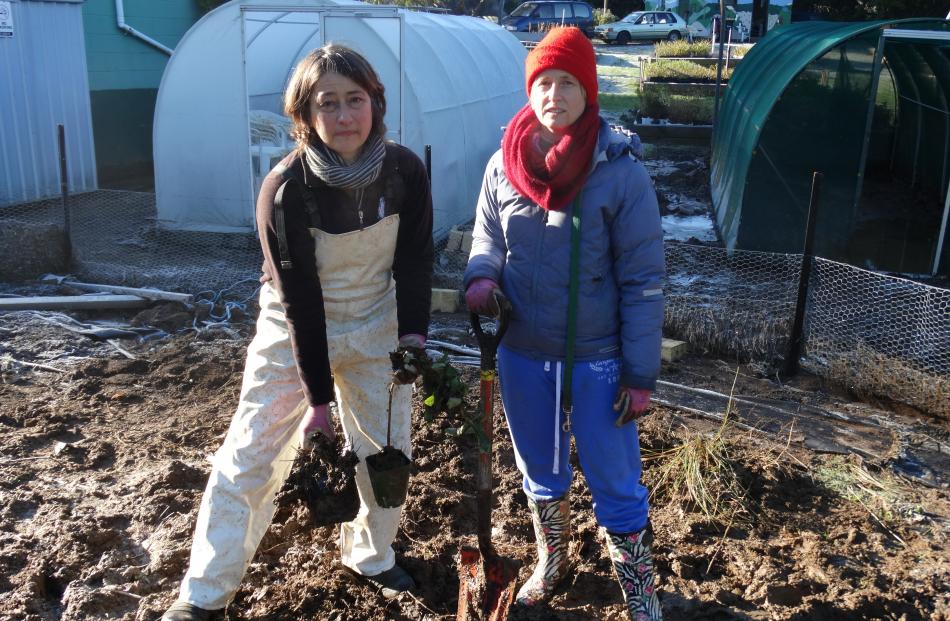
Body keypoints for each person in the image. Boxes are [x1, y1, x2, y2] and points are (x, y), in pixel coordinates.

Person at [161, 44, 433, 621]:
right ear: (304, 115)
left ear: (375, 103)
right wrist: (315, 400)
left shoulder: (405, 171)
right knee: (251, 455)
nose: (343, 116)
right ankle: (204, 594)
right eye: (326, 103)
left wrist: (412, 341)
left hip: (375, 321)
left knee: (388, 451)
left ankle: (371, 553)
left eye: (354, 100)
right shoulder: (286, 189)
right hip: (293, 328)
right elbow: (300, 298)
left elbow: (413, 263)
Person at [463, 27, 664, 621]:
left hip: (598, 359)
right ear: (532, 91)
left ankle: (639, 589)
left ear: (589, 90)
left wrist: (640, 374)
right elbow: (488, 235)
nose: (555, 94)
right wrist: (481, 275)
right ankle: (554, 558)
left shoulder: (620, 172)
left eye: (568, 83)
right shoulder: (503, 164)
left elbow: (643, 280)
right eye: (544, 83)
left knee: (616, 477)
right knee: (539, 470)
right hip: (522, 350)